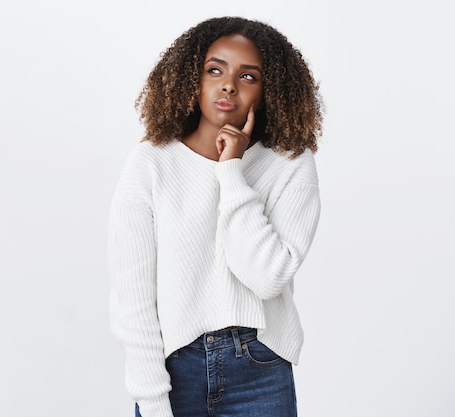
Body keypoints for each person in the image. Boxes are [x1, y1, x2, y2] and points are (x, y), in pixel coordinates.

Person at [107, 16, 323, 417]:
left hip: (261, 368)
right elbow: (132, 297)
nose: (229, 85)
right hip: (173, 369)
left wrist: (231, 170)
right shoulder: (151, 163)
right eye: (215, 69)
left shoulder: (290, 164)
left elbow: (267, 276)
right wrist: (152, 401)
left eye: (249, 76)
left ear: (270, 88)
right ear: (192, 78)